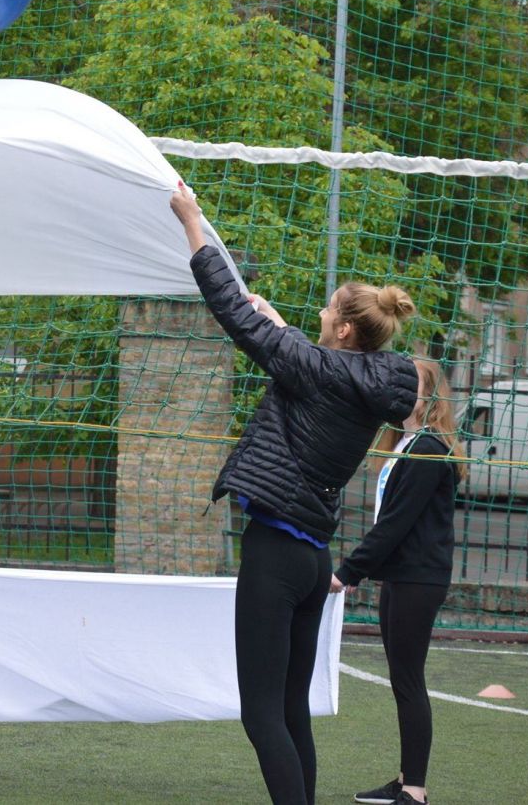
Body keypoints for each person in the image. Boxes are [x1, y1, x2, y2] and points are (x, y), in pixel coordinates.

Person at [169, 183, 419, 805]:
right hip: (312, 563)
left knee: (262, 716)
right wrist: (282, 329)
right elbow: (310, 366)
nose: (321, 315)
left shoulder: (318, 369)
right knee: (290, 711)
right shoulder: (359, 381)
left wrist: (191, 220)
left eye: (328, 311)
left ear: (343, 328)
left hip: (277, 556)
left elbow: (231, 309)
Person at [335, 358, 458, 805]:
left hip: (418, 579)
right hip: (402, 576)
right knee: (402, 678)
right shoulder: (406, 443)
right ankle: (407, 777)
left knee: (408, 680)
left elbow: (396, 523)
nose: (401, 389)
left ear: (430, 397)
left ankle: (415, 791)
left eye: (412, 384)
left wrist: (349, 571)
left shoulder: (428, 449)